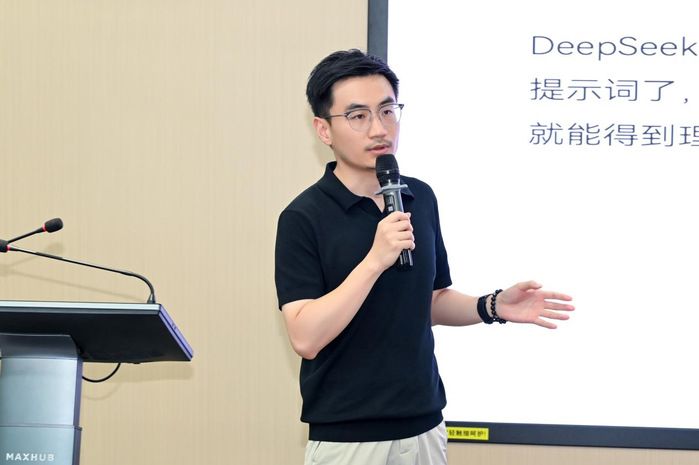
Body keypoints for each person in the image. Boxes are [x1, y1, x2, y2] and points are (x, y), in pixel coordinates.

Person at [274, 49, 574, 465]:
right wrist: (374, 260)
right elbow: (306, 337)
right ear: (324, 129)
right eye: (358, 116)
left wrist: (492, 306)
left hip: (425, 427)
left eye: (388, 111)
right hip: (350, 437)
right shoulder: (303, 217)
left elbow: (429, 301)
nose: (379, 128)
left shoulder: (419, 196)